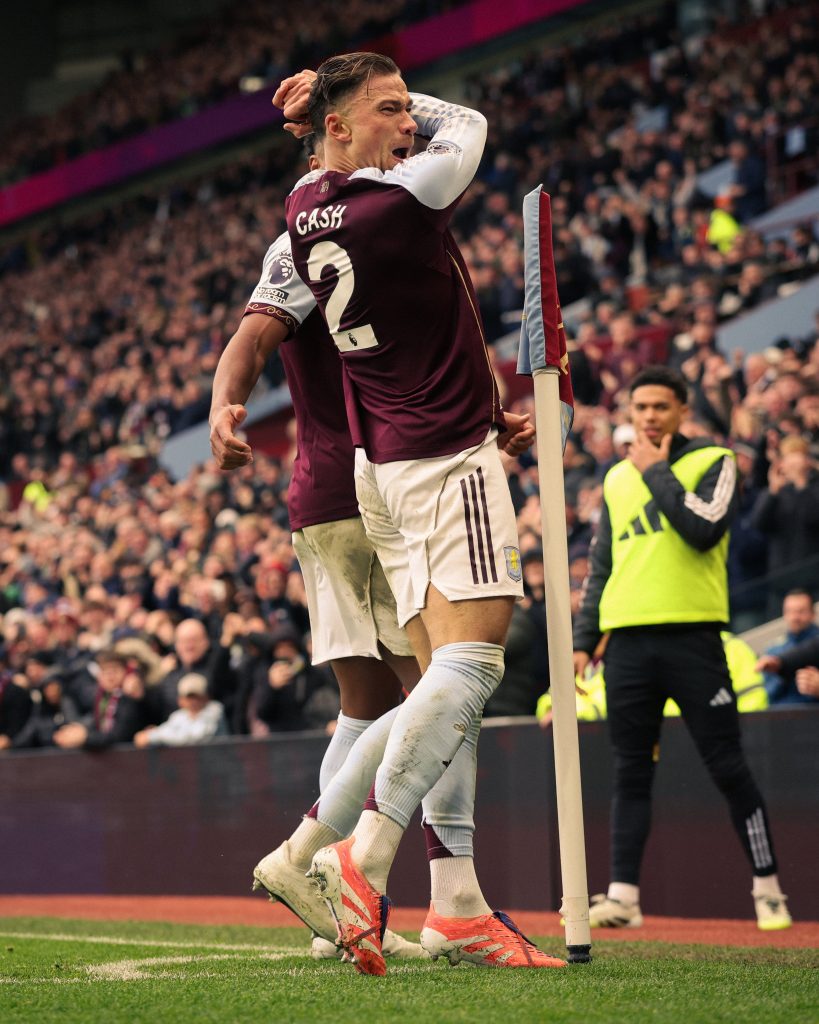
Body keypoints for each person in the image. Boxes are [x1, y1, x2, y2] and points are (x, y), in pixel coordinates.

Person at [278, 53, 562, 973]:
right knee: (474, 665)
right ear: (339, 126)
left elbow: (329, 163)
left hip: (386, 467)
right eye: (389, 109)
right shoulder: (399, 201)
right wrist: (406, 102)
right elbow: (471, 127)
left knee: (437, 682)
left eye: (408, 108)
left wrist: (332, 105)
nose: (410, 124)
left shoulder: (303, 206)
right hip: (444, 458)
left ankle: (421, 893)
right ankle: (355, 862)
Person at [572, 365, 790, 932]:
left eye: (660, 407)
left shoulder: (714, 462)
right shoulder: (617, 479)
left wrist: (656, 471)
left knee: (727, 764)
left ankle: (766, 885)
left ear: (682, 409)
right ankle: (623, 895)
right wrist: (582, 642)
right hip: (627, 643)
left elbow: (703, 529)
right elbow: (602, 566)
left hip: (693, 637)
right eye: (639, 408)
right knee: (629, 771)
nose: (648, 417)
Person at [756, 590, 819, 706]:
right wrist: (779, 666)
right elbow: (769, 693)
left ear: (812, 614)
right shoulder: (774, 652)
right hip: (778, 717)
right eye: (790, 611)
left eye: (801, 611)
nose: (795, 617)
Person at [133, 672, 228, 747]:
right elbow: (167, 730)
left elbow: (194, 737)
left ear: (205, 697)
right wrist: (152, 733)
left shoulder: (215, 710)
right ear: (180, 700)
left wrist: (152, 736)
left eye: (196, 696)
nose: (193, 701)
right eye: (189, 697)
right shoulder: (179, 716)